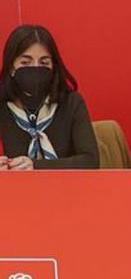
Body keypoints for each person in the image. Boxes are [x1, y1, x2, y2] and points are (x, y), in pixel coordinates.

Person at [0, 25, 99, 170]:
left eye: (44, 62)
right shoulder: (2, 106)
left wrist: (36, 166)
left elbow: (90, 161)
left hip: (68, 189)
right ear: (11, 67)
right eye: (25, 62)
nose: (35, 68)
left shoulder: (71, 102)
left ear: (54, 67)